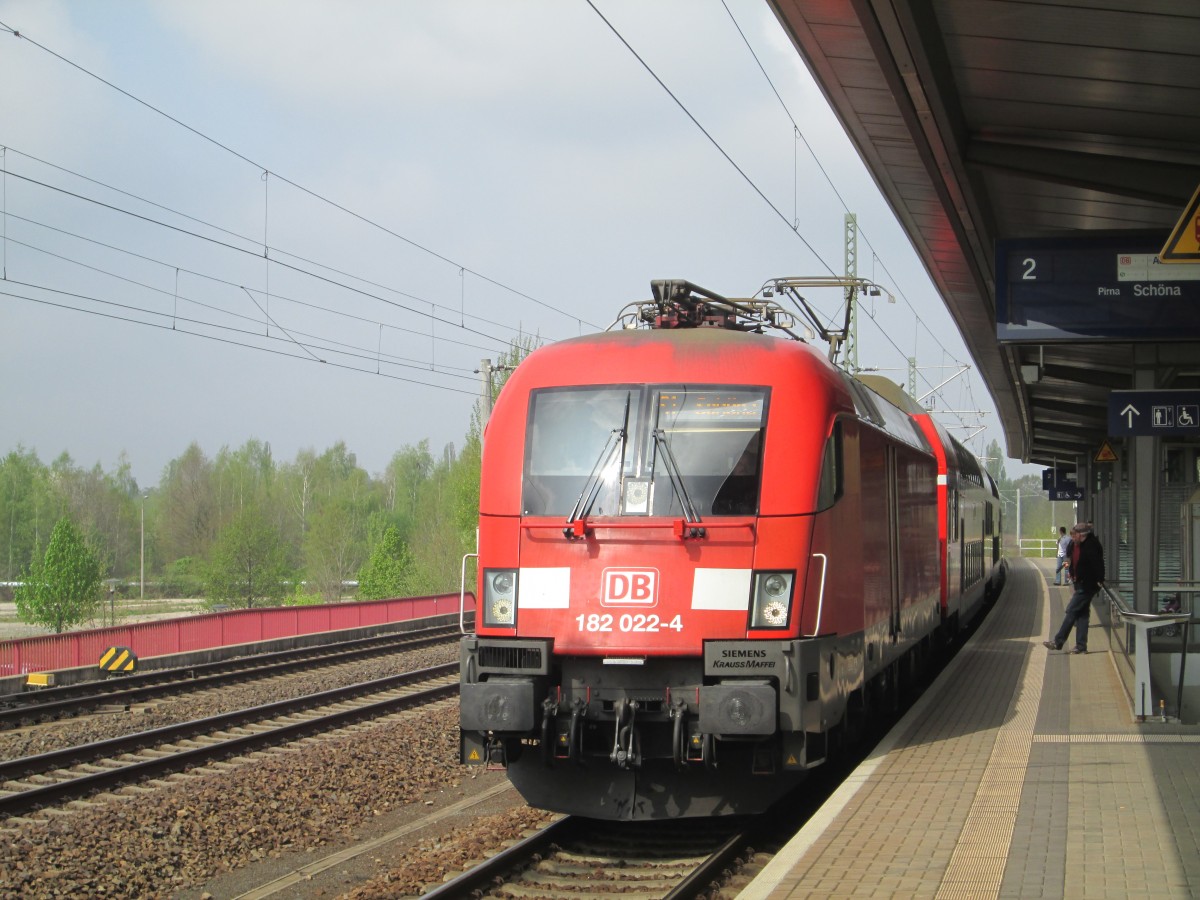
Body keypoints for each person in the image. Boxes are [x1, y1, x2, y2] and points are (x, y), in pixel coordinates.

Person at [1044, 522, 1105, 654]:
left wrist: (1099, 580)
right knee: (1082, 615)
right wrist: (1071, 573)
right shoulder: (1076, 544)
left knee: (1071, 610)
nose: (1072, 537)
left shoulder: (1091, 545)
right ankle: (1081, 646)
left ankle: (1058, 641)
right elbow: (1071, 559)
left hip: (1087, 584)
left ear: (1082, 535)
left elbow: (1098, 564)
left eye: (1074, 534)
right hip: (1079, 583)